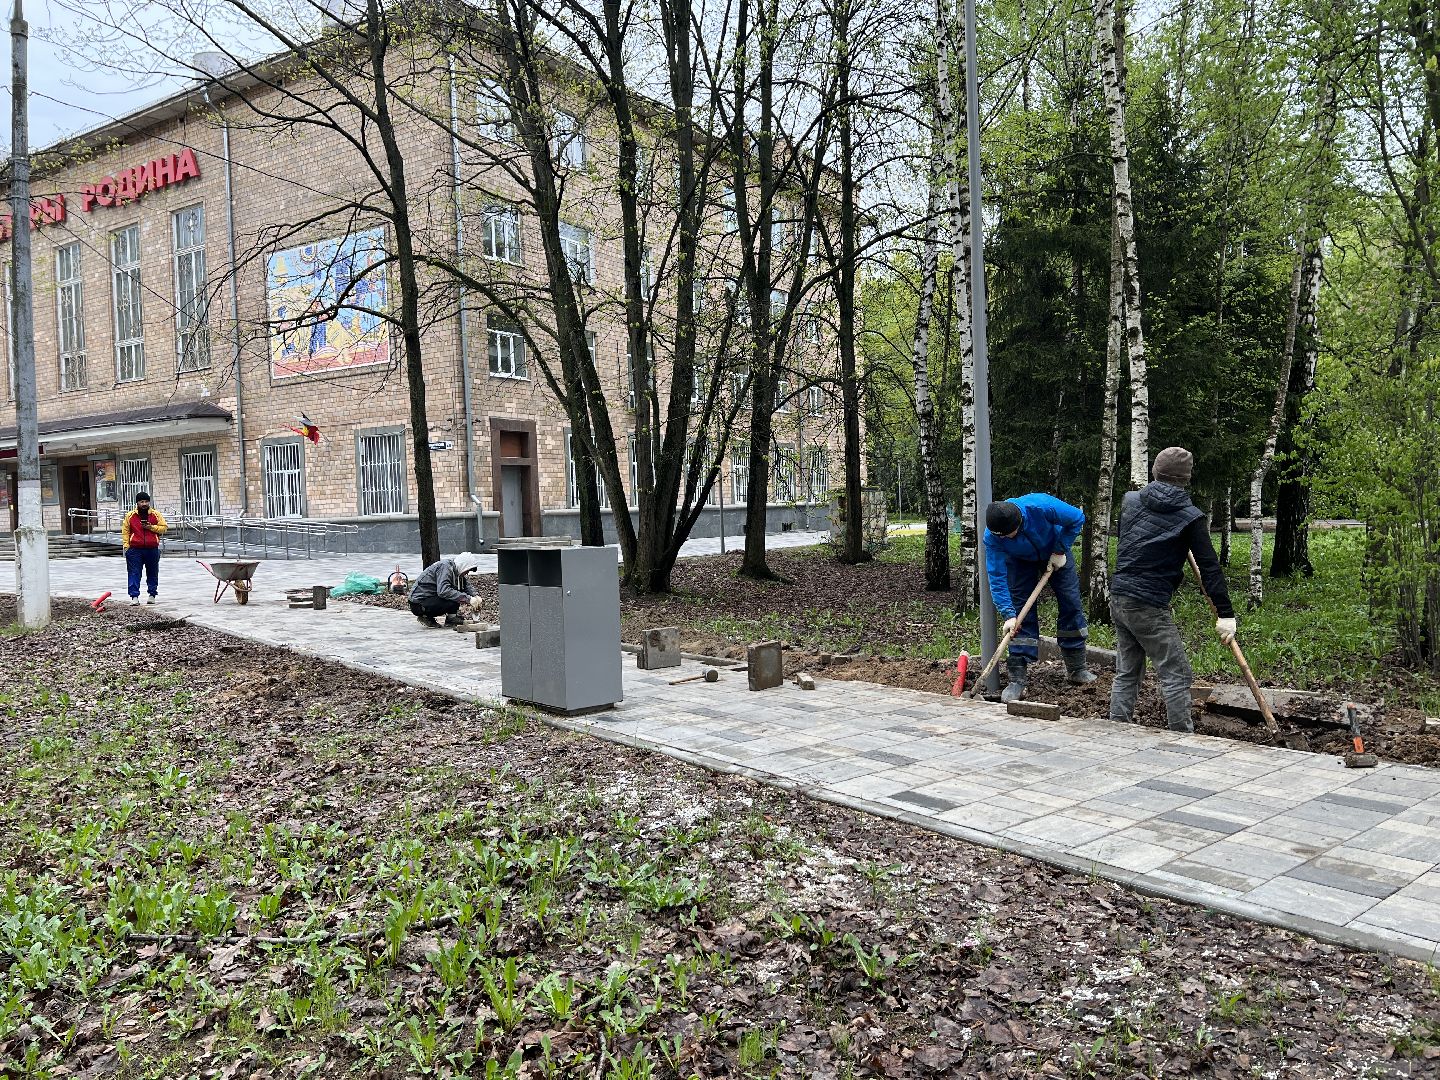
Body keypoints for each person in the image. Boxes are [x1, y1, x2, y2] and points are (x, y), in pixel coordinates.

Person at [1109, 446, 1236, 733]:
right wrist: (1226, 614)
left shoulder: (1130, 501)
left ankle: (1115, 730)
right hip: (1147, 603)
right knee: (1176, 672)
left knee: (1127, 670)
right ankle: (1181, 737)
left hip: (1119, 597)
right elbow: (1209, 567)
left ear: (1155, 471)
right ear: (1186, 479)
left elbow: (1133, 540)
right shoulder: (1190, 517)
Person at [983, 493, 1096, 703]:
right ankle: (1017, 679)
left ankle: (1077, 668)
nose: (1008, 538)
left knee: (1071, 603)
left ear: (1020, 522)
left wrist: (1060, 549)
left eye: (1010, 534)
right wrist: (1008, 614)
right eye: (1003, 536)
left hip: (1055, 551)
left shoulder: (1041, 506)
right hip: (1019, 562)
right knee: (1019, 614)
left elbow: (1077, 518)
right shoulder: (993, 537)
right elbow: (997, 575)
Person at [409, 552, 483, 627]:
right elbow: (443, 591)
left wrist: (475, 595)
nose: (467, 573)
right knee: (453, 595)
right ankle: (425, 617)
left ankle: (452, 618)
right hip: (418, 603)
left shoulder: (455, 571)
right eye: (467, 570)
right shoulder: (445, 568)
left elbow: (465, 585)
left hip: (429, 599)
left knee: (456, 594)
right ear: (463, 566)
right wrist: (469, 599)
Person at [121, 491, 168, 605]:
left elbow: (164, 528)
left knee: (152, 572)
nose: (144, 504)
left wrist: (151, 527)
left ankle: (152, 594)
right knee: (134, 573)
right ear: (137, 503)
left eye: (146, 501)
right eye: (141, 501)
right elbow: (125, 532)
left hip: (152, 549)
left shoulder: (156, 515)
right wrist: (126, 547)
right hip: (135, 549)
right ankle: (134, 597)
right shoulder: (130, 516)